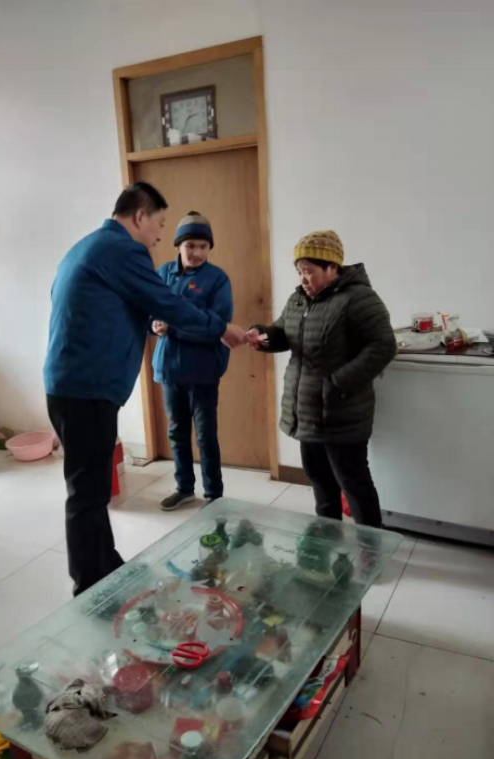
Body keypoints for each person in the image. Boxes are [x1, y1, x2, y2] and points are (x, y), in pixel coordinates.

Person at [44, 182, 246, 596]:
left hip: (75, 383)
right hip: (86, 389)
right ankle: (89, 586)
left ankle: (105, 565)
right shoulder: (123, 250)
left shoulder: (90, 246)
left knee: (93, 488)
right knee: (86, 494)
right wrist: (222, 329)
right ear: (140, 216)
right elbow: (167, 304)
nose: (158, 235)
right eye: (159, 223)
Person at [247, 230, 396, 528]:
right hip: (307, 411)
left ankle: (371, 545)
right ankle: (327, 540)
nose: (303, 279)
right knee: (319, 479)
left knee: (353, 482)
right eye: (299, 271)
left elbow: (383, 345)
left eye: (309, 271)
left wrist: (338, 383)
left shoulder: (359, 298)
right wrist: (261, 336)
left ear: (332, 267)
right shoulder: (298, 300)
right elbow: (283, 332)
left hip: (342, 412)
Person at [151, 212, 232, 511]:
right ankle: (184, 487)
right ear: (178, 246)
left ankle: (213, 494)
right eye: (190, 246)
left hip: (203, 370)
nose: (196, 252)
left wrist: (173, 327)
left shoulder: (217, 279)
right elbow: (147, 310)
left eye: (202, 246)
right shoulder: (163, 274)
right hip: (170, 369)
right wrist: (154, 325)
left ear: (209, 247)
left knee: (205, 434)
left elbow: (216, 325)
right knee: (177, 432)